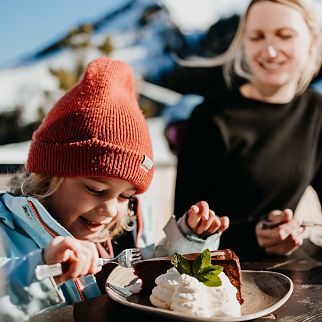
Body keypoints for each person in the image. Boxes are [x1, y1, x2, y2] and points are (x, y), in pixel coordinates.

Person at [0, 57, 229, 321]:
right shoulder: (9, 230)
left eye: (125, 196)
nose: (110, 209)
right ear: (48, 177)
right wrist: (42, 269)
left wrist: (189, 239)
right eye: (95, 190)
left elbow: (151, 268)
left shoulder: (129, 228)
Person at [174, 0, 322, 259]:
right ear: (244, 43)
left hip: (288, 275)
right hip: (214, 279)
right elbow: (184, 235)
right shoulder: (210, 117)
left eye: (284, 35)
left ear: (312, 40)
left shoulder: (316, 111)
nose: (271, 51)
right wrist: (253, 235)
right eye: (257, 37)